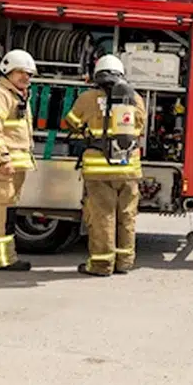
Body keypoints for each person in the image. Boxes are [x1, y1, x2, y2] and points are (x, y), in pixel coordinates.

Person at [65, 54, 147, 276]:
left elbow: (71, 122)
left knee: (102, 217)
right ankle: (124, 263)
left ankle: (101, 265)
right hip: (129, 169)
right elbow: (140, 128)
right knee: (127, 216)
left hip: (98, 170)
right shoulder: (136, 99)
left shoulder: (87, 98)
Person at [0, 49, 38, 271]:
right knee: (2, 214)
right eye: (20, 72)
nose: (25, 77)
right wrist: (3, 160)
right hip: (2, 166)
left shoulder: (16, 94)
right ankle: (3, 259)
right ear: (7, 71)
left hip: (12, 165)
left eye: (29, 74)